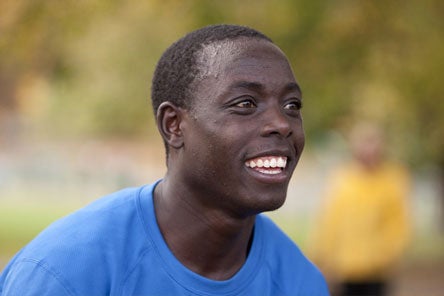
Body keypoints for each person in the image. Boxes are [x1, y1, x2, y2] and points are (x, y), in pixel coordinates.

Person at [0, 24, 329, 295]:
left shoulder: (300, 283)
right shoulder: (65, 274)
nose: (282, 124)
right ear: (174, 125)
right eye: (245, 104)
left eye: (292, 105)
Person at [310, 123, 411, 296]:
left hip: (376, 270)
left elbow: (399, 223)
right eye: (364, 143)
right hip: (344, 269)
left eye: (373, 143)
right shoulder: (342, 178)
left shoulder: (393, 178)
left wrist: (387, 253)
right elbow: (330, 221)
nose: (369, 149)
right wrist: (321, 255)